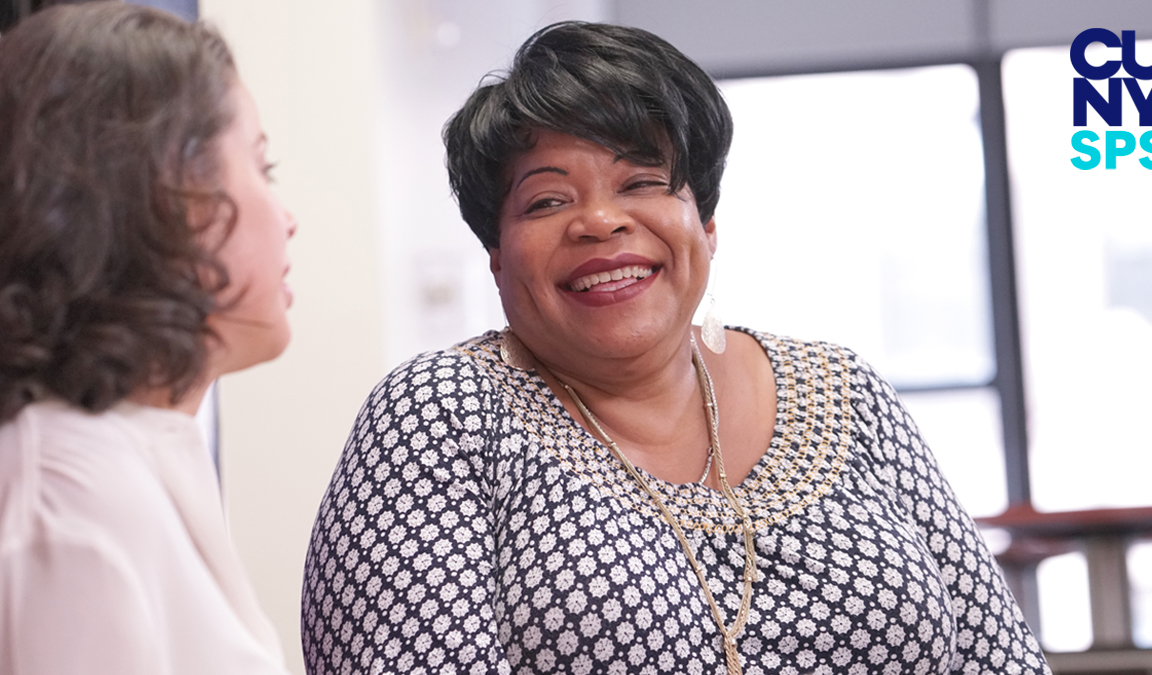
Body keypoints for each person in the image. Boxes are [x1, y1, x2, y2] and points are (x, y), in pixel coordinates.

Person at [301, 21, 1050, 675]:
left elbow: (1001, 657)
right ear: (497, 253)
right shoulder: (441, 414)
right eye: (548, 200)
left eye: (642, 182)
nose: (599, 222)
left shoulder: (843, 390)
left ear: (706, 224)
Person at [0, 4, 296, 674]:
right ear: (168, 196)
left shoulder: (131, 451)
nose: (288, 218)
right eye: (262, 168)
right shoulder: (65, 499)